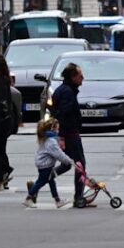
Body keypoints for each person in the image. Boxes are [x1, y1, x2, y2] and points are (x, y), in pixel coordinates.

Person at [52, 62, 90, 207]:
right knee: (80, 164)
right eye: (80, 76)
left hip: (67, 133)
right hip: (70, 134)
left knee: (67, 164)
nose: (83, 78)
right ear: (73, 77)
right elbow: (63, 114)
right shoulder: (67, 92)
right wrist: (62, 136)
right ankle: (78, 197)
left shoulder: (64, 90)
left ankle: (43, 180)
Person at [23, 118, 74, 208]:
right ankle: (28, 198)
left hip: (44, 163)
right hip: (45, 165)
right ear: (52, 129)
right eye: (57, 129)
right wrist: (69, 160)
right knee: (41, 182)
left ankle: (57, 200)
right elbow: (58, 154)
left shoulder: (47, 138)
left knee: (51, 181)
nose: (58, 131)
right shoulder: (51, 141)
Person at [0, 53, 20, 187]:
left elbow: (0, 102)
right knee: (0, 148)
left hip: (2, 120)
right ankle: (4, 175)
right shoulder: (3, 79)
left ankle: (5, 171)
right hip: (6, 120)